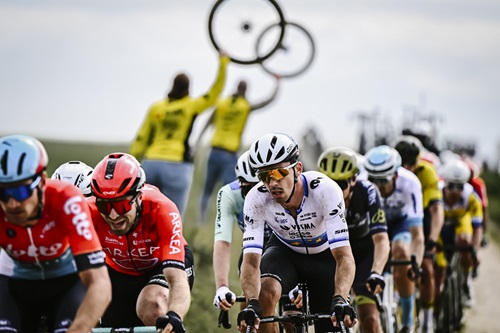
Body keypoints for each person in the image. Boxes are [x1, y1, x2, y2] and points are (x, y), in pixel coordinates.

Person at [237, 133, 357, 333]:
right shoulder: (255, 199)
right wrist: (252, 303)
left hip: (324, 256)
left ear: (297, 169)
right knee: (264, 293)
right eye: (265, 176)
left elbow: (344, 256)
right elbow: (250, 262)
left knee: (333, 323)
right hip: (285, 252)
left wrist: (340, 297)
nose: (272, 183)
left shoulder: (325, 190)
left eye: (279, 173)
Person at [0, 134, 111, 333]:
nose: (12, 204)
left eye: (21, 192)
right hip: (14, 283)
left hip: (65, 283)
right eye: (2, 193)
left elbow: (100, 284)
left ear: (42, 181)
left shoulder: (68, 200)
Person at [88, 153, 194, 332]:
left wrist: (175, 315)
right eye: (105, 206)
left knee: (153, 306)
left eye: (121, 205)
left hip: (160, 265)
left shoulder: (162, 210)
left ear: (138, 197)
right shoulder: (87, 211)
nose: (113, 216)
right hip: (118, 270)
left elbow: (176, 278)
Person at [129, 51, 230, 217]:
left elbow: (141, 137)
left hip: (151, 163)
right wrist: (223, 63)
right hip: (177, 167)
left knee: (142, 218)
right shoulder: (191, 105)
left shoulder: (157, 108)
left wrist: (132, 163)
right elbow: (214, 93)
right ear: (188, 88)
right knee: (172, 219)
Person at [317, 146, 390, 333]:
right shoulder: (316, 196)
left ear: (354, 180)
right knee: (331, 319)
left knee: (369, 317)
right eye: (329, 183)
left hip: (363, 253)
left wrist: (377, 272)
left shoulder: (368, 192)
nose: (334, 190)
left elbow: (381, 239)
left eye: (340, 184)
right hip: (333, 256)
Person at [198, 76, 281, 222]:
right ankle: (227, 220)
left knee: (207, 189)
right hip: (230, 154)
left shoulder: (222, 104)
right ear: (246, 90)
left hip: (214, 151)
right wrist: (277, 84)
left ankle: (201, 221)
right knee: (231, 191)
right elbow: (267, 101)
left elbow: (207, 123)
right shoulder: (245, 106)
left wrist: (198, 140)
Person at [363, 145, 424, 333]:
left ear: (396, 175)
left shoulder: (410, 183)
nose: (378, 187)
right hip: (375, 226)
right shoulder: (364, 184)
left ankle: (407, 321)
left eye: (383, 181)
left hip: (401, 224)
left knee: (402, 251)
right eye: (374, 180)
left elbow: (417, 236)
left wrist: (416, 264)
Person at [392, 135, 444, 333]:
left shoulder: (427, 172)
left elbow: (436, 211)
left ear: (418, 161)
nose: (407, 167)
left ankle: (427, 321)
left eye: (411, 163)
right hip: (397, 217)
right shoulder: (390, 171)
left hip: (422, 216)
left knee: (427, 267)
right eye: (403, 163)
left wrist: (431, 240)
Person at [434, 159, 483, 310]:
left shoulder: (471, 196)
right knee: (439, 269)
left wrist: (473, 251)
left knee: (465, 242)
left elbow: (477, 228)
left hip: (461, 225)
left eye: (459, 186)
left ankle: (466, 283)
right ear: (444, 182)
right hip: (441, 228)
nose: (455, 191)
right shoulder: (436, 192)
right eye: (451, 186)